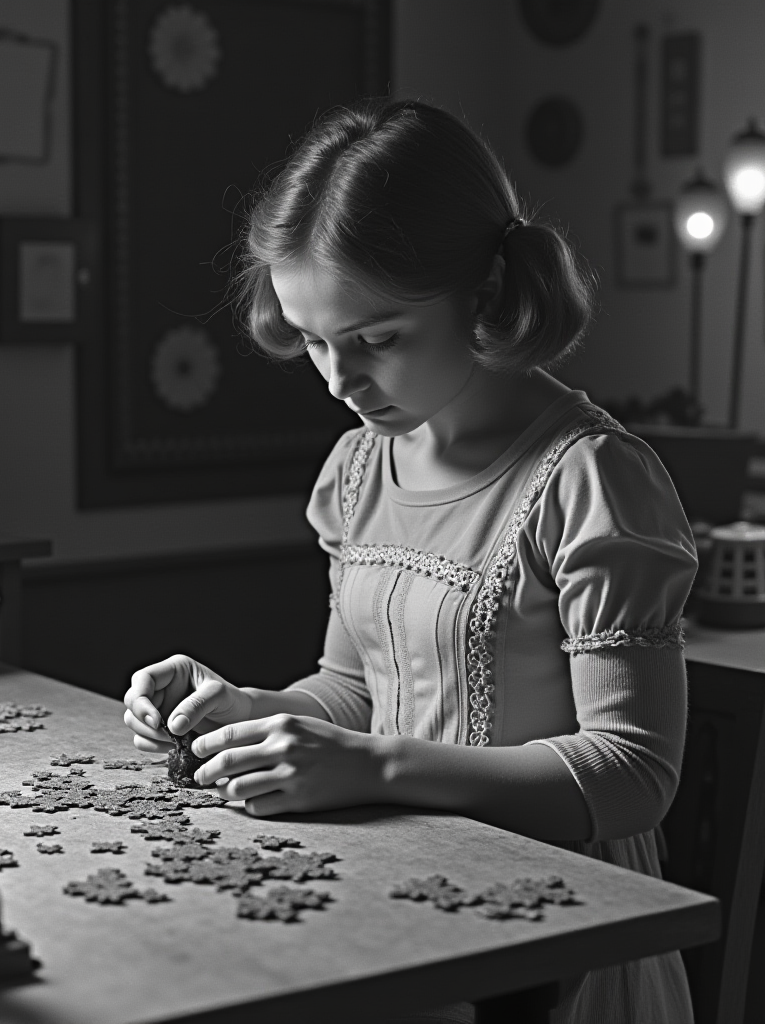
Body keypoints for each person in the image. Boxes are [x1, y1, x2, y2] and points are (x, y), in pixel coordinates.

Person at [123, 99, 696, 1024]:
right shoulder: (358, 470)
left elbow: (632, 774)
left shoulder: (593, 480)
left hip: (558, 938)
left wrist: (374, 769)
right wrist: (254, 713)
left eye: (378, 339)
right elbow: (354, 691)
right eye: (313, 340)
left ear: (489, 293)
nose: (341, 381)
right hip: (398, 905)